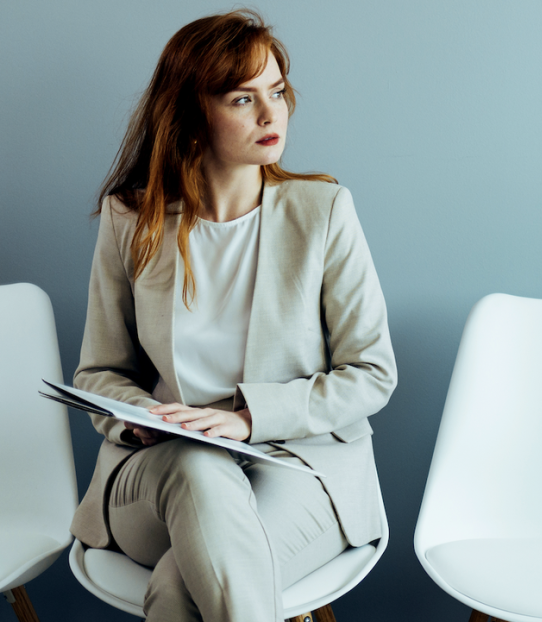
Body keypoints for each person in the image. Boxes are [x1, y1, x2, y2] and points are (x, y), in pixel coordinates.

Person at [68, 10, 396, 622]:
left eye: (277, 92)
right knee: (196, 465)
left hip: (298, 465)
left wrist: (249, 420)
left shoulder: (322, 211)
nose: (272, 115)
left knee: (177, 590)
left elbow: (371, 374)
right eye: (243, 98)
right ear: (192, 115)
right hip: (159, 475)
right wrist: (143, 419)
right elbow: (99, 373)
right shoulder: (130, 220)